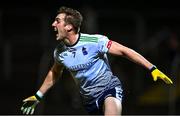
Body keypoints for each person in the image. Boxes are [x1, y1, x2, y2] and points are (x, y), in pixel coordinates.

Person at [20, 6, 173, 115]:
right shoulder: (59, 52)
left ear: (68, 27)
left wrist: (152, 68)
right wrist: (38, 96)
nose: (53, 24)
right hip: (89, 101)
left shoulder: (95, 41)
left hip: (110, 90)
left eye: (57, 21)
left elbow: (125, 51)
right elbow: (54, 72)